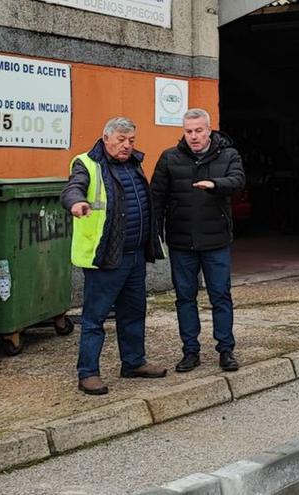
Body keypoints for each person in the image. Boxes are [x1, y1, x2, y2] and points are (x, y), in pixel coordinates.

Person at [61, 117, 167, 395]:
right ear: (106, 137)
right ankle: (88, 373)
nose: (127, 145)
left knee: (133, 313)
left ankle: (133, 362)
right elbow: (73, 187)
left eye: (131, 140)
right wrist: (76, 202)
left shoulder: (133, 164)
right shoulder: (87, 163)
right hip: (105, 256)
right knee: (95, 318)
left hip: (134, 256)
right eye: (121, 139)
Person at [150, 108, 245, 373]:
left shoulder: (228, 154)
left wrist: (215, 184)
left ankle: (226, 350)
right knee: (184, 298)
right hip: (182, 242)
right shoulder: (170, 158)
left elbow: (238, 181)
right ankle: (190, 351)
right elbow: (156, 198)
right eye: (188, 131)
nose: (193, 136)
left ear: (209, 129)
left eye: (198, 131)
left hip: (216, 242)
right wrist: (155, 236)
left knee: (221, 296)